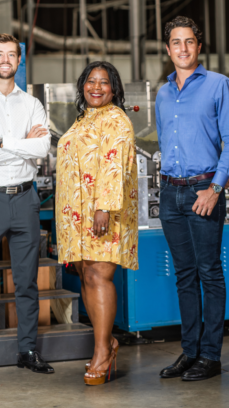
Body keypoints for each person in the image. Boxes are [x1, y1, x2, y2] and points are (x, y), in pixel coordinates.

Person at [156, 16, 229, 381]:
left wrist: (215, 189)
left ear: (199, 45)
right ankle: (189, 351)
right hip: (170, 192)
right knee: (184, 275)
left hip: (203, 190)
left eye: (189, 41)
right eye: (176, 42)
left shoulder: (219, 85)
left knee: (209, 273)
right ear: (168, 49)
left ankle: (211, 355)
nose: (183, 48)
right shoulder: (162, 93)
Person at [0, 33, 55, 381]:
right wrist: (24, 144)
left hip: (25, 198)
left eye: (11, 55)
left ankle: (27, 350)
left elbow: (42, 148)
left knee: (27, 281)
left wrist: (2, 140)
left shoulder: (31, 103)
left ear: (19, 60)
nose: (5, 60)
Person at [56, 61, 138, 386]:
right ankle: (104, 344)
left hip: (104, 211)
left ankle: (103, 353)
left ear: (114, 89)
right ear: (83, 86)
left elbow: (113, 165)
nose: (96, 87)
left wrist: (104, 207)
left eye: (104, 82)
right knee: (86, 274)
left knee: (99, 275)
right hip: (76, 216)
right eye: (91, 81)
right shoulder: (81, 120)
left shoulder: (117, 119)